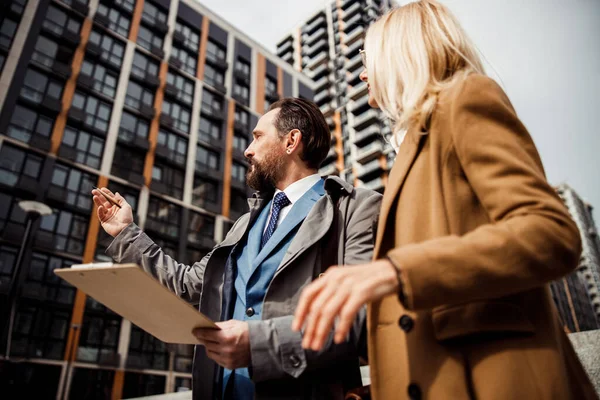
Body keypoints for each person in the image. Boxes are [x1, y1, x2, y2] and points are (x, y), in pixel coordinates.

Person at [292, 2, 598, 399]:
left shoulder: (466, 98)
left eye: (369, 59)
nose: (363, 74)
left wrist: (393, 272)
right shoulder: (413, 145)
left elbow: (552, 233)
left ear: (402, 53)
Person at [92, 97, 382, 400]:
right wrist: (125, 233)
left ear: (291, 141)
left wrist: (258, 344)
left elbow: (359, 318)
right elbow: (187, 286)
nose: (248, 150)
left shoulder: (355, 209)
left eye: (258, 137)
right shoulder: (245, 223)